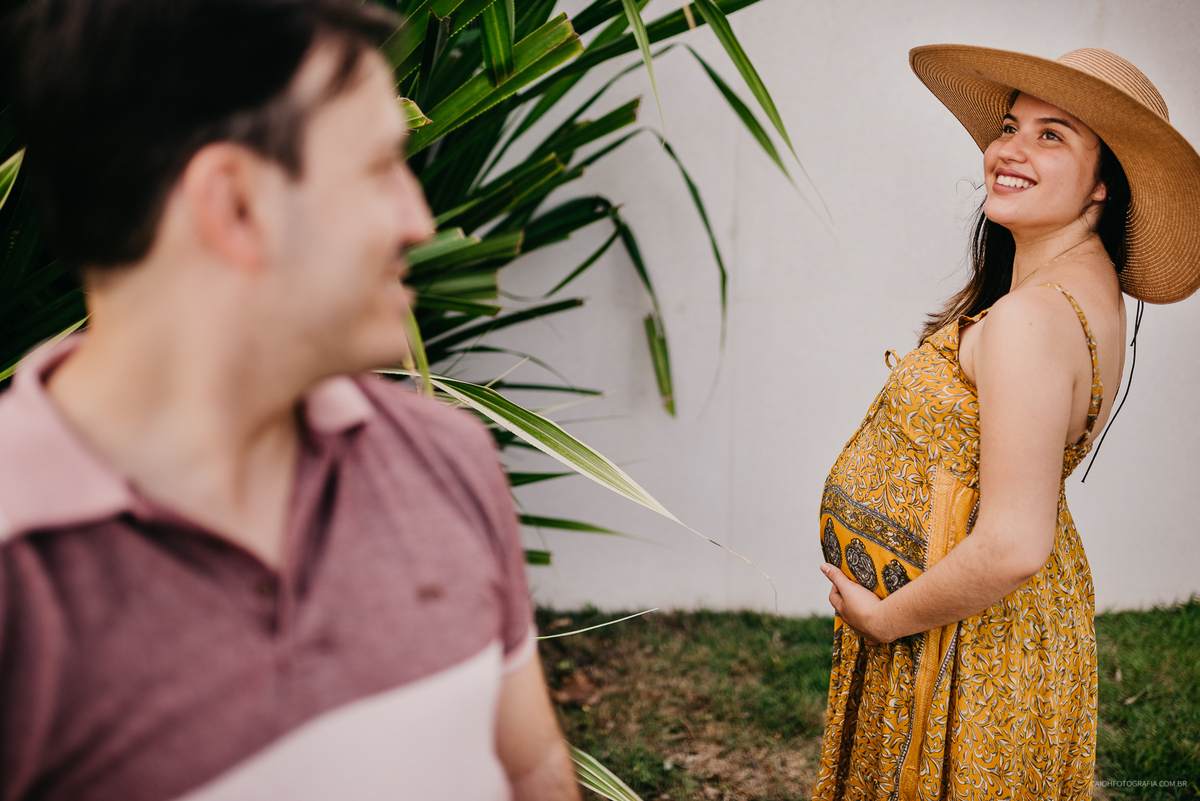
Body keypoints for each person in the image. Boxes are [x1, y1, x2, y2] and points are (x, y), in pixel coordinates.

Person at [0, 1, 581, 799]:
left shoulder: (447, 459)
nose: (419, 220)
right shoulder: (19, 581)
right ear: (235, 205)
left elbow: (531, 767)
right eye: (379, 168)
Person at [813, 45, 1200, 800]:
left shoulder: (1032, 318)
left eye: (1052, 136)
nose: (1009, 151)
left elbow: (1016, 543)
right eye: (1011, 126)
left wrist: (886, 620)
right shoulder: (1076, 285)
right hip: (988, 623)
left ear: (1104, 183)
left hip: (966, 639)